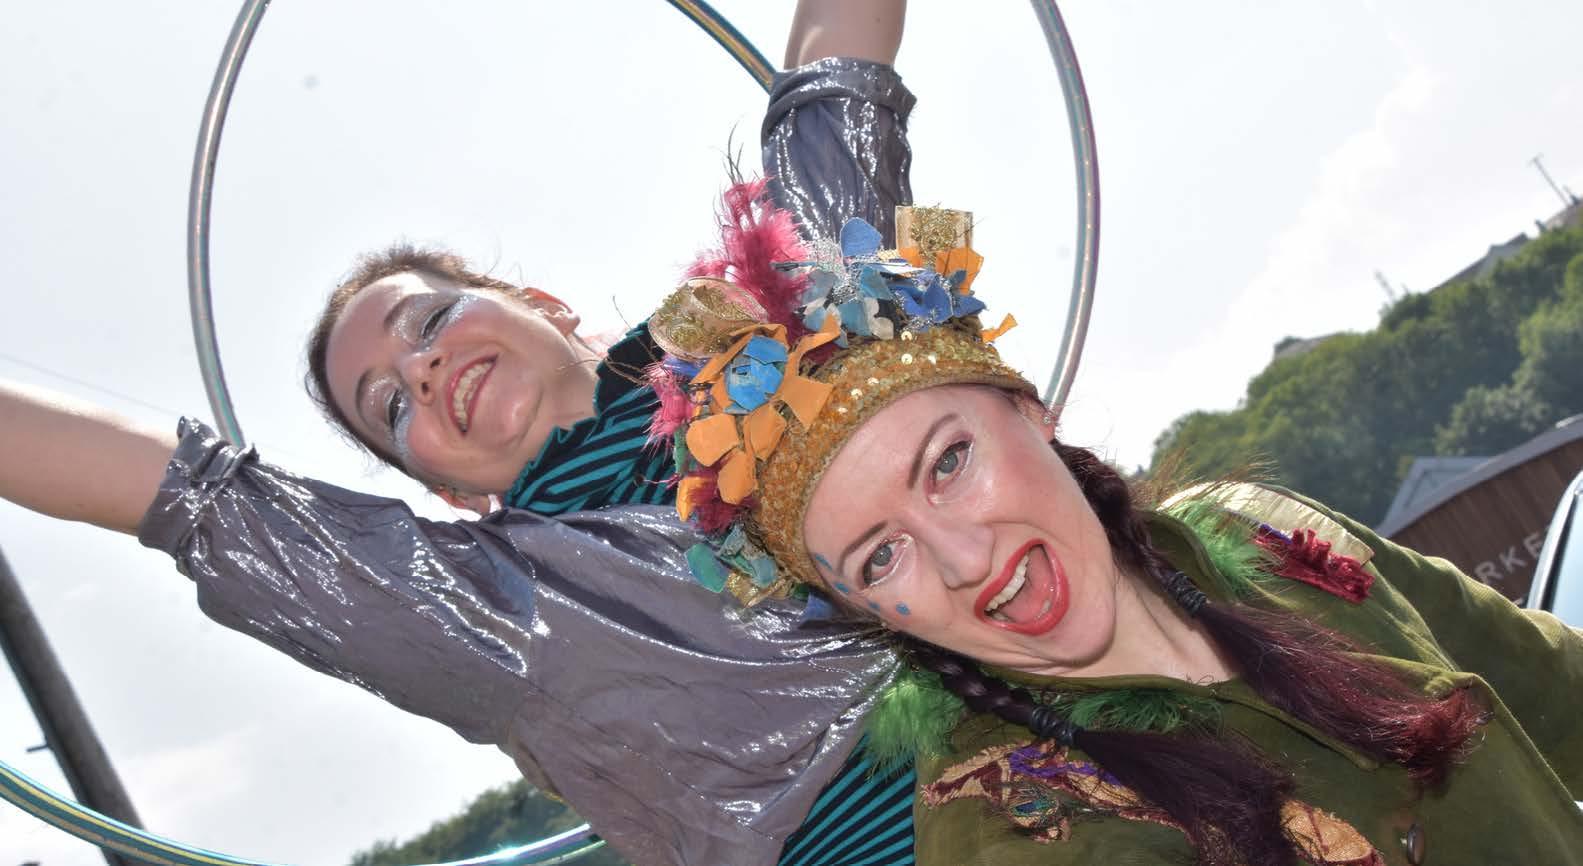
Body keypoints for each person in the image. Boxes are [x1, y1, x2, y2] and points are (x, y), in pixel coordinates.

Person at [0, 3, 922, 865]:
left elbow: (829, 99)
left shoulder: (785, 315)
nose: (421, 371)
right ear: (446, 488)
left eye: (429, 321)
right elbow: (184, 494)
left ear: (542, 305)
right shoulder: (485, 606)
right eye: (389, 408)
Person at [654, 200, 1583, 865]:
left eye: (948, 462)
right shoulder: (1009, 837)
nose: (966, 561)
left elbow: (1558, 692)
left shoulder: (1271, 534)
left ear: (1032, 410)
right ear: (861, 612)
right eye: (880, 557)